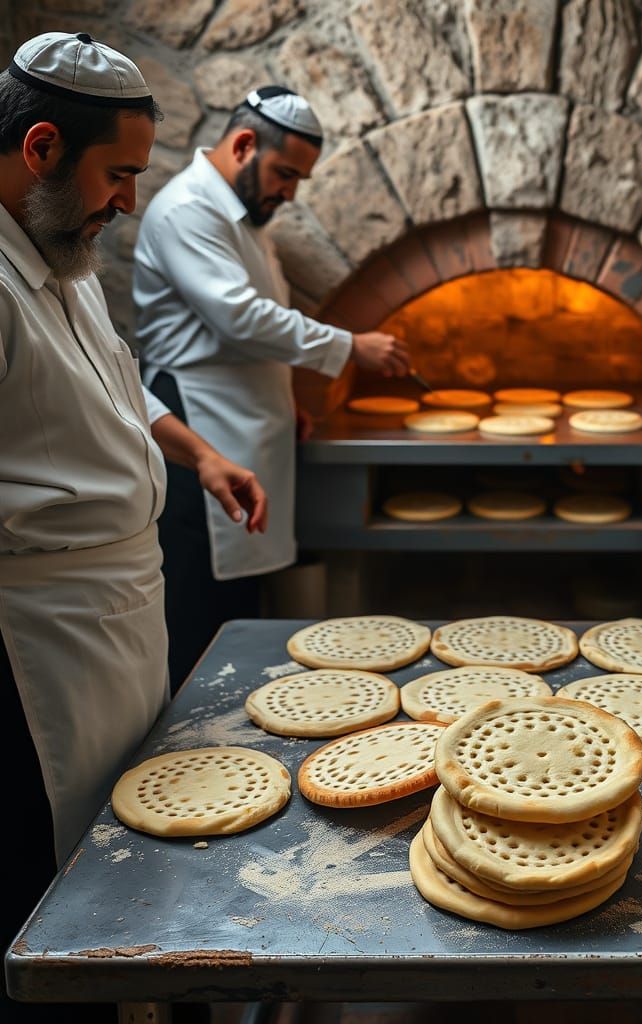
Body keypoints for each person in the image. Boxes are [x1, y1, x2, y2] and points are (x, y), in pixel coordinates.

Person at [0, 32, 267, 1022]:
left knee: (120, 854)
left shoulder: (58, 260)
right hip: (39, 637)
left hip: (117, 610)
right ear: (40, 149)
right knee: (42, 876)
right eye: (118, 175)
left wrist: (199, 454)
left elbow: (121, 392)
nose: (129, 200)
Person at [133, 86, 410, 691]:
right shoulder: (189, 210)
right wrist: (350, 347)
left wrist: (283, 402)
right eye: (285, 173)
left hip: (246, 424)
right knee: (198, 614)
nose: (289, 192)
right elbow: (242, 318)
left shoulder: (244, 214)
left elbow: (250, 328)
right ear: (243, 144)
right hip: (196, 425)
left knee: (238, 607)